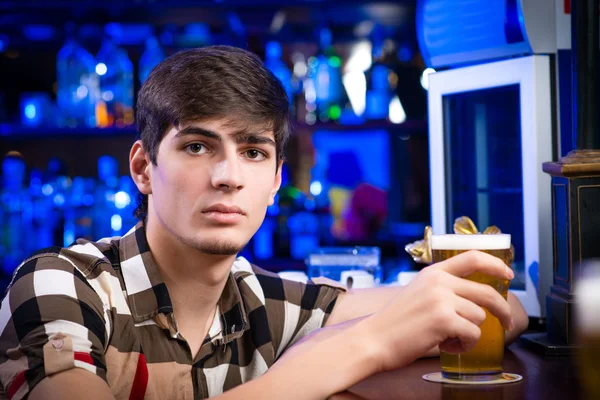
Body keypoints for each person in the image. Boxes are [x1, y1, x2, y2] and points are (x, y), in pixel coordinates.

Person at [0, 46, 528, 400]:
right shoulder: (60, 284)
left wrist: (485, 295)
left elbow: (496, 310)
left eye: (253, 152)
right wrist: (360, 348)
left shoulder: (262, 303)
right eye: (198, 146)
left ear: (276, 181)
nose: (229, 176)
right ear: (143, 168)